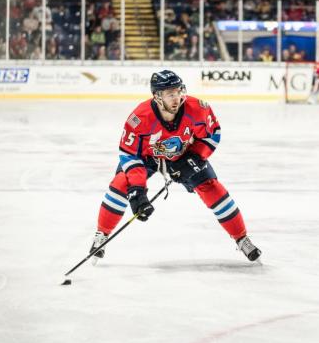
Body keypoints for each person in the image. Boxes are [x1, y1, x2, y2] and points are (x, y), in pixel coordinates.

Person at [90, 70, 262, 262]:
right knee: (120, 185)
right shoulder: (139, 117)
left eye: (178, 91)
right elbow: (129, 154)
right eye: (170, 93)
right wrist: (138, 191)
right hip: (148, 158)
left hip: (184, 154)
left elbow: (213, 134)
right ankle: (101, 235)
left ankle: (241, 238)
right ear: (157, 96)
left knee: (212, 188)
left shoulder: (198, 108)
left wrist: (194, 158)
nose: (177, 97)